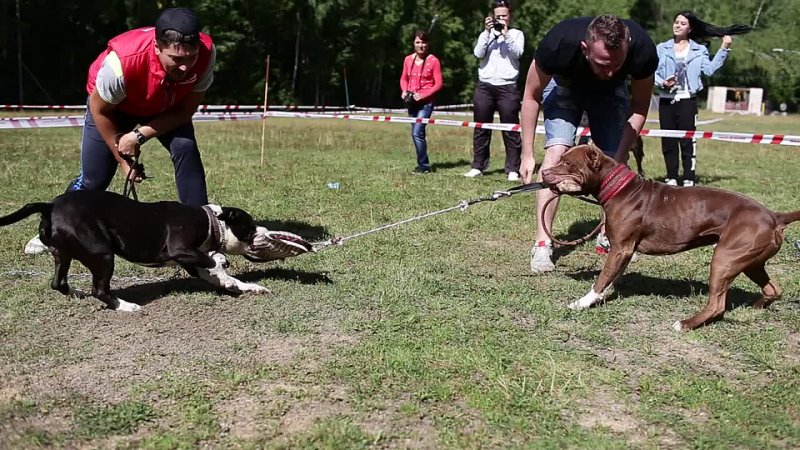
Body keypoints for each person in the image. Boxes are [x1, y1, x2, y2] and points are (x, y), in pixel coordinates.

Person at [25, 7, 216, 254]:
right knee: (95, 178)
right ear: (157, 47)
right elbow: (100, 110)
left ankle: (202, 232)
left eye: (191, 57)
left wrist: (139, 135)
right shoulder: (120, 64)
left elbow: (184, 112)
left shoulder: (207, 53)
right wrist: (124, 161)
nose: (185, 67)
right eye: (177, 59)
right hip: (112, 108)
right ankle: (52, 226)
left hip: (166, 106)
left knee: (185, 147)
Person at [519, 15, 658, 272]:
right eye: (603, 63)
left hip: (610, 95)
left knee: (612, 162)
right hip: (565, 85)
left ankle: (609, 235)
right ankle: (542, 244)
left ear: (627, 46)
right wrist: (527, 153)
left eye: (617, 63)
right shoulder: (559, 42)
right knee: (557, 154)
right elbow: (531, 95)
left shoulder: (643, 51)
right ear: (585, 49)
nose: (610, 71)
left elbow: (639, 105)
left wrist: (620, 155)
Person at [656, 11, 750, 187]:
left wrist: (724, 49)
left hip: (687, 101)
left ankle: (689, 177)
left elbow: (709, 70)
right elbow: (652, 72)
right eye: (676, 22)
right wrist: (662, 81)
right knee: (668, 140)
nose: (677, 25)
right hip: (666, 100)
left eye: (682, 23)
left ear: (690, 28)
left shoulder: (700, 50)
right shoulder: (662, 48)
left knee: (687, 141)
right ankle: (671, 176)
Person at [464, 0, 524, 181]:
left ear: (510, 16)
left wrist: (506, 35)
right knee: (481, 128)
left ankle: (513, 168)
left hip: (507, 87)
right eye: (497, 16)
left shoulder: (516, 34)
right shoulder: (486, 34)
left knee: (510, 129)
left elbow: (518, 53)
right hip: (485, 86)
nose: (501, 19)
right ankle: (478, 166)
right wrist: (487, 32)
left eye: (504, 16)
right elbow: (478, 53)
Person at [399, 30, 443, 174]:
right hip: (411, 102)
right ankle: (423, 163)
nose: (421, 45)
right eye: (418, 42)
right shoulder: (407, 60)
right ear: (413, 43)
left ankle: (423, 166)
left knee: (417, 132)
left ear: (428, 44)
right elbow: (403, 78)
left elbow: (438, 84)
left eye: (423, 42)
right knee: (417, 133)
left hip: (426, 103)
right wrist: (404, 90)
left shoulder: (433, 61)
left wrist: (423, 95)